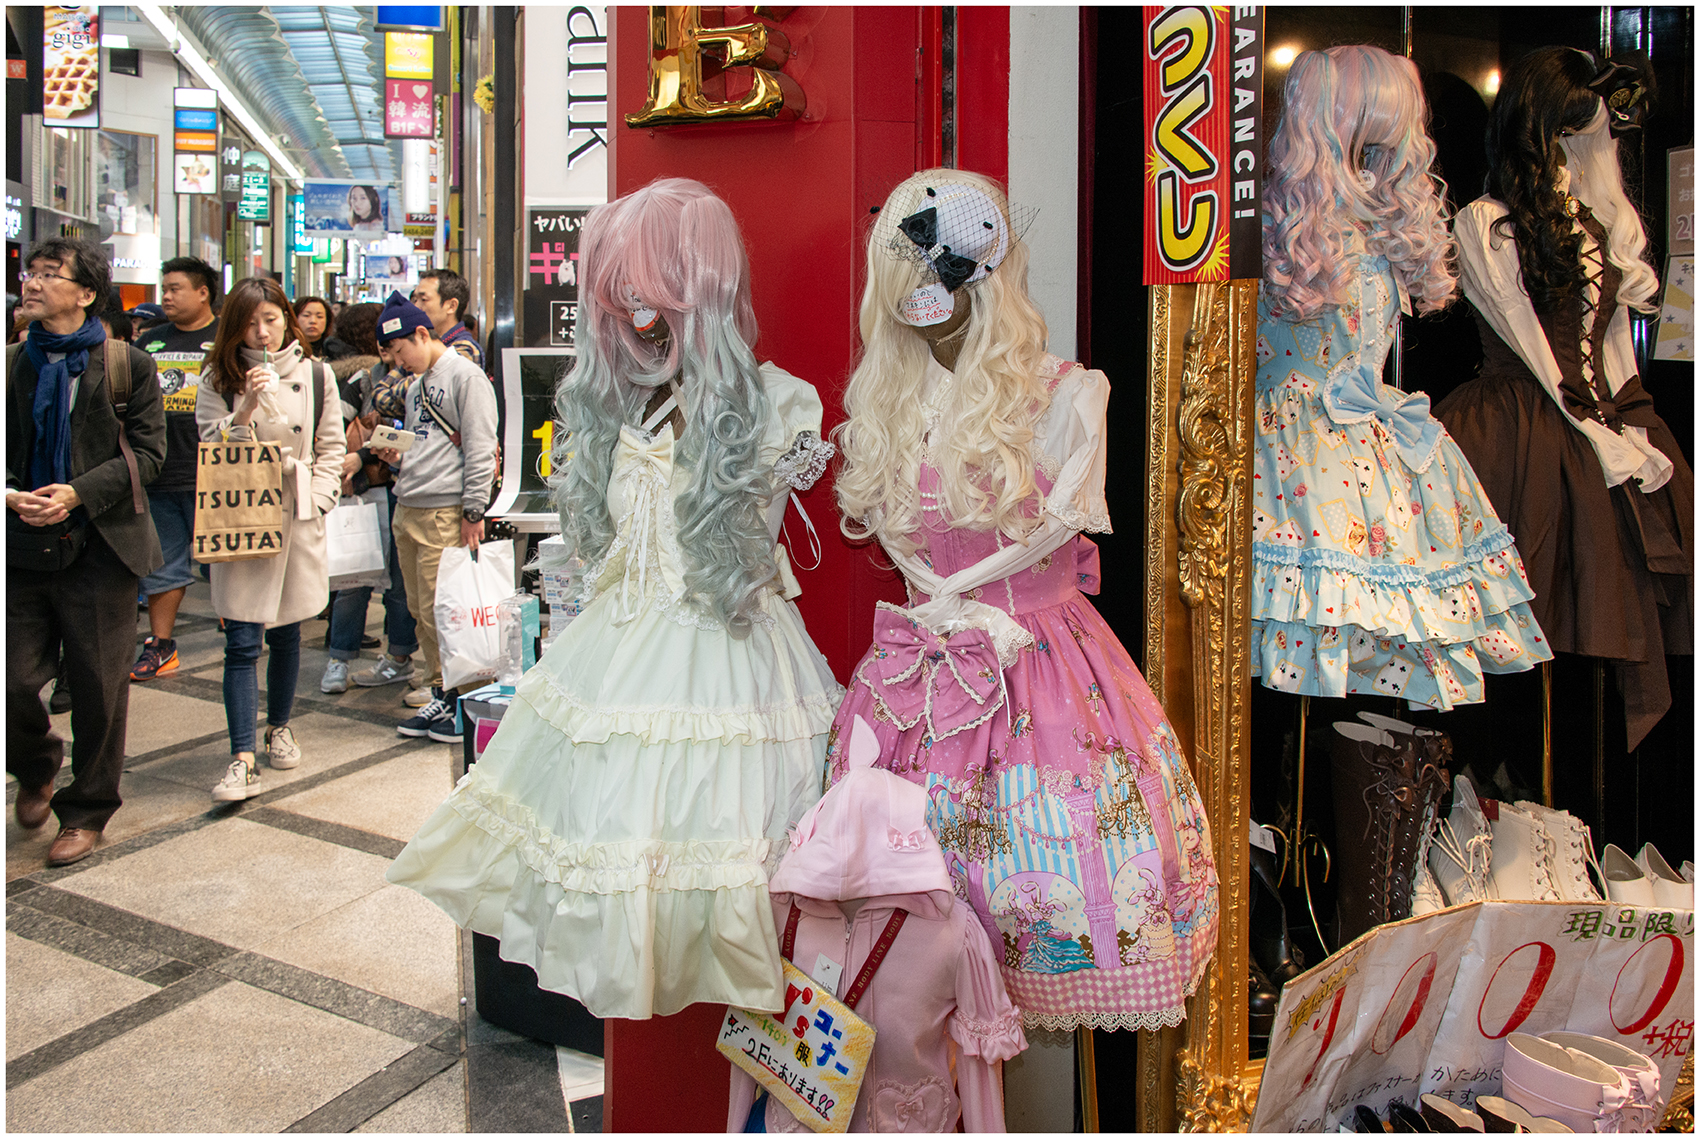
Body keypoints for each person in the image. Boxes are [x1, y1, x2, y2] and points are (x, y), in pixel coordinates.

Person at [385, 179, 843, 1019]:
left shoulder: (779, 403)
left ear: (700, 284)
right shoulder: (622, 399)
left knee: (715, 846)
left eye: (652, 285)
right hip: (614, 651)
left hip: (729, 653)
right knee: (615, 846)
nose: (635, 307)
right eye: (621, 289)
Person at [829, 171, 1219, 1030]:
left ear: (990, 276)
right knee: (903, 949)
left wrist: (954, 593)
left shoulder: (1069, 397)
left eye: (948, 284)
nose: (930, 306)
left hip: (1043, 678)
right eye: (911, 291)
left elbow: (1052, 530)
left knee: (1049, 877)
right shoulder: (889, 409)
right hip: (915, 686)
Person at [1252, 44, 1551, 709]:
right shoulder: (1282, 220)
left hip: (1371, 436)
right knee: (1302, 610)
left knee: (1370, 619)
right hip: (1290, 442)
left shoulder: (1381, 226)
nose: (1383, 142)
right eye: (1370, 120)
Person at [1435, 47, 1692, 751]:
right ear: (1543, 128)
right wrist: (1594, 432)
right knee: (1522, 626)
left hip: (1594, 422)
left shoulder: (1596, 224)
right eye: (1581, 129)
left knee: (1599, 624)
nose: (1597, 144)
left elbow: (1608, 343)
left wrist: (1630, 421)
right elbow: (1534, 349)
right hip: (1519, 433)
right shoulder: (1487, 222)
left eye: (1598, 130)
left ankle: (1564, 819)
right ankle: (1504, 790)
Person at [6, 237, 166, 866]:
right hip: (22, 544)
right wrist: (12, 496)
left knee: (100, 691)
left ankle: (89, 808)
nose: (33, 283)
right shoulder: (12, 362)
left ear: (86, 293)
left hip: (102, 546)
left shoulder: (128, 364)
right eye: (31, 273)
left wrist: (75, 493)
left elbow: (151, 456)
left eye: (51, 275)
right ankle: (37, 763)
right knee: (14, 680)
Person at [195, 278, 345, 801]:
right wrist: (247, 407)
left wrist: (320, 499)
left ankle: (279, 724)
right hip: (242, 516)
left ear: (287, 319)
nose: (262, 332)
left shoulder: (319, 376)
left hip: (297, 513)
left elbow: (330, 448)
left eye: (271, 319)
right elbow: (210, 445)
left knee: (286, 634)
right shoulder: (219, 377)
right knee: (241, 639)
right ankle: (241, 756)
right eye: (250, 322)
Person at [365, 290, 498, 741]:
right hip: (410, 505)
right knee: (423, 611)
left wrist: (473, 509)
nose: (399, 362)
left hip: (444, 511)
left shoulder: (464, 376)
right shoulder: (420, 384)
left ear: (422, 334)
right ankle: (442, 689)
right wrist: (396, 459)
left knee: (448, 611)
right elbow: (427, 447)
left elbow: (482, 446)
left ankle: (460, 699)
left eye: (401, 350)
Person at [321, 305, 423, 694]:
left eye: (395, 347)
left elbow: (405, 436)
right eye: (386, 347)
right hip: (361, 493)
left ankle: (399, 655)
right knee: (353, 578)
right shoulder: (363, 380)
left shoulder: (421, 380)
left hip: (399, 488)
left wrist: (363, 453)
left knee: (401, 586)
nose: (392, 356)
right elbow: (332, 424)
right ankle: (338, 657)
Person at [130, 256, 220, 682]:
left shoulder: (226, 338)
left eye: (176, 288)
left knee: (224, 560)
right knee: (164, 563)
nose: (166, 296)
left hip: (215, 472)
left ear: (203, 292)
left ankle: (239, 625)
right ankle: (161, 644)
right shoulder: (149, 342)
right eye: (163, 288)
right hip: (160, 471)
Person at [410, 269, 482, 369]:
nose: (416, 306)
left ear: (451, 306)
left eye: (423, 300)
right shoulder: (423, 341)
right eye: (415, 300)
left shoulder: (465, 349)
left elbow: (424, 380)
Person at [294, 295, 354, 362]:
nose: (313, 321)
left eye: (319, 316)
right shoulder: (287, 350)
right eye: (306, 315)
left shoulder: (337, 351)